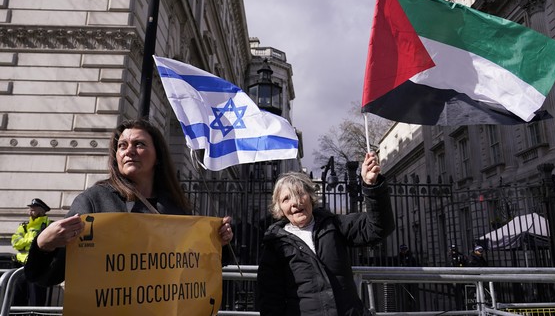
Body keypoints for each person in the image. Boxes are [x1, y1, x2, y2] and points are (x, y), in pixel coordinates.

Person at [24, 119, 234, 287]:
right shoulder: (93, 201)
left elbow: (197, 268)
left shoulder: (177, 208)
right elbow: (47, 276)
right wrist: (44, 245)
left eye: (139, 144)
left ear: (158, 156)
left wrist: (218, 242)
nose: (129, 151)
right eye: (122, 146)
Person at [257, 152, 395, 316]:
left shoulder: (334, 224)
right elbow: (270, 301)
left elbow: (379, 228)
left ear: (310, 197)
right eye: (286, 199)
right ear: (279, 208)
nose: (295, 202)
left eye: (300, 193)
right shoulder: (275, 244)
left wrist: (371, 186)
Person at [11, 198, 52, 306]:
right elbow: (15, 242)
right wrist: (31, 240)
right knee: (17, 298)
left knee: (36, 299)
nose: (30, 211)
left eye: (33, 209)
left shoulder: (49, 226)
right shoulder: (23, 226)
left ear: (42, 211)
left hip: (38, 267)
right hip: (21, 266)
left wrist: (27, 242)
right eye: (30, 209)